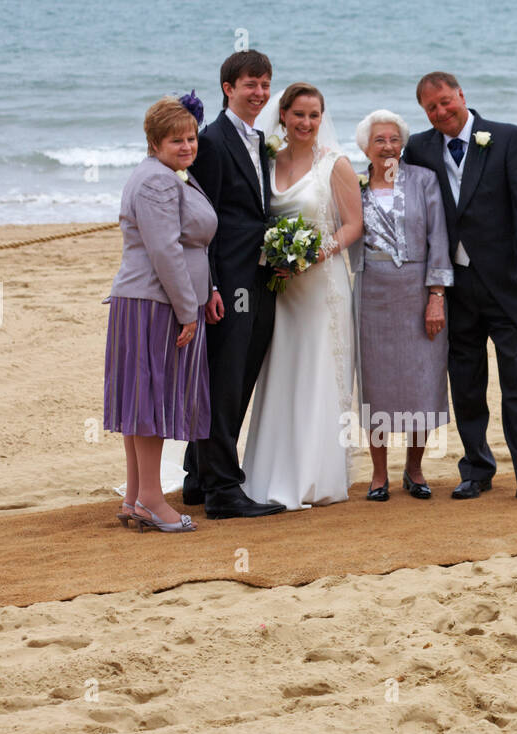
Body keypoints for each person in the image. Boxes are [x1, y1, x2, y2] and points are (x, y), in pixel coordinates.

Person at [403, 72, 517, 504]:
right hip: (454, 286)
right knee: (466, 383)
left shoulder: (509, 138)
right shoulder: (419, 147)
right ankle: (476, 470)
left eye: (445, 102)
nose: (441, 112)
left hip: (508, 284)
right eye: (431, 108)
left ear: (461, 96)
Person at [240, 83, 363, 510]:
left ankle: (314, 477)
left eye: (314, 115)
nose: (306, 123)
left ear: (322, 118)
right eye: (298, 115)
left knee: (316, 372)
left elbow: (352, 225)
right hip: (279, 287)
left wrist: (313, 255)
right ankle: (267, 474)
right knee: (280, 373)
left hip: (321, 287)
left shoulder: (336, 165)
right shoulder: (268, 159)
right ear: (284, 116)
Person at [103, 94, 216, 533]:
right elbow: (164, 249)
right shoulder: (157, 182)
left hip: (149, 300)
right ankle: (151, 498)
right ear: (154, 142)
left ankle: (136, 497)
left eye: (190, 138)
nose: (187, 146)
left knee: (140, 399)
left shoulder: (164, 174)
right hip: (156, 302)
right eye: (176, 140)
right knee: (150, 400)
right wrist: (189, 309)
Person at [181, 50, 286, 520]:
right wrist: (212, 288)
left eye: (265, 84)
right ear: (228, 88)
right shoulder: (212, 141)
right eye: (250, 84)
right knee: (224, 381)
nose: (259, 93)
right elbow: (203, 222)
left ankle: (196, 478)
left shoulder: (260, 138)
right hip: (228, 283)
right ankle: (224, 491)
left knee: (240, 378)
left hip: (259, 276)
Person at [350, 109, 453, 501]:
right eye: (379, 140)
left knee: (421, 381)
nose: (388, 147)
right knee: (375, 384)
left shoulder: (424, 181)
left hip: (416, 291)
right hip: (371, 292)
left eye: (394, 139)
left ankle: (414, 467)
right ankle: (379, 474)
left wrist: (436, 297)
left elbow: (438, 239)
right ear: (366, 146)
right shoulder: (355, 184)